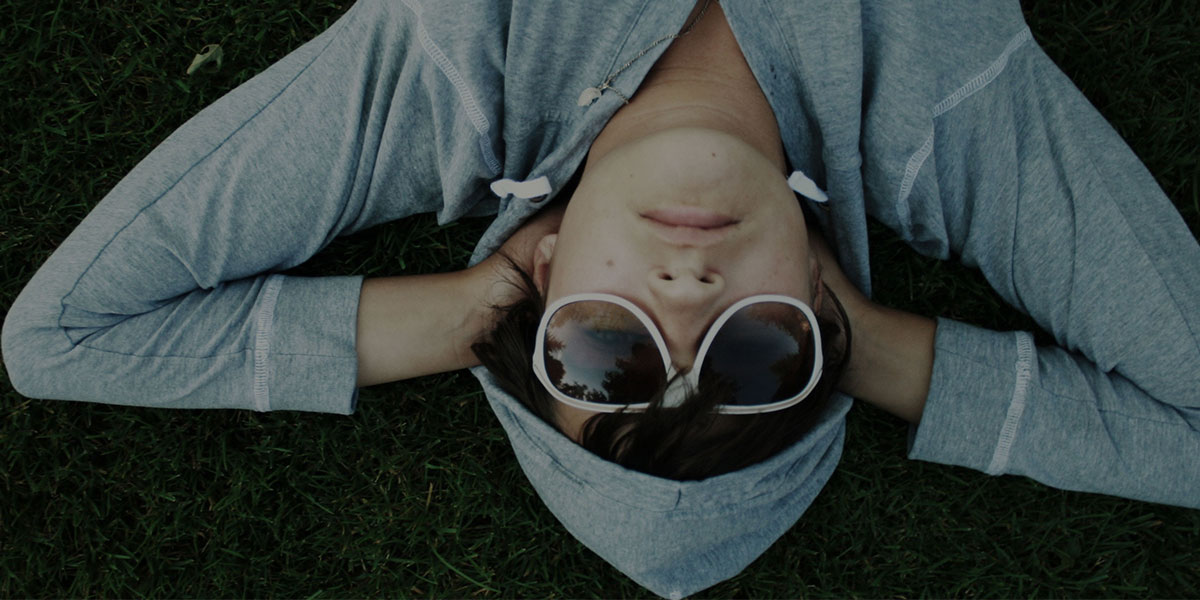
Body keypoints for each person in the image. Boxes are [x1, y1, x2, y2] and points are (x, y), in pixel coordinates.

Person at [3, 0, 1197, 597]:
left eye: (606, 354)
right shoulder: (935, 105)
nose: (684, 294)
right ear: (824, 312)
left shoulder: (458, 75)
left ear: (544, 267)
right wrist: (865, 343)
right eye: (754, 359)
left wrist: (478, 305)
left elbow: (60, 336)